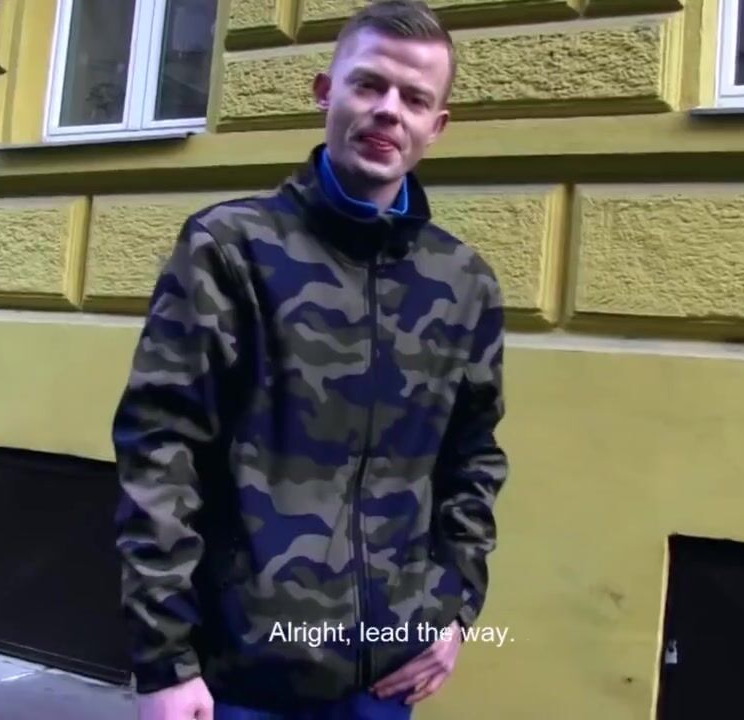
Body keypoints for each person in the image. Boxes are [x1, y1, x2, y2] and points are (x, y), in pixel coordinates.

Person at [111, 1, 509, 717]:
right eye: (369, 84)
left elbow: (472, 459)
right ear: (326, 93)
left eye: (414, 98)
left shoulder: (463, 283)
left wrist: (455, 610)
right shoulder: (230, 250)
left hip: (384, 679)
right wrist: (164, 662)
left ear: (436, 126)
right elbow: (161, 452)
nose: (388, 110)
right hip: (239, 677)